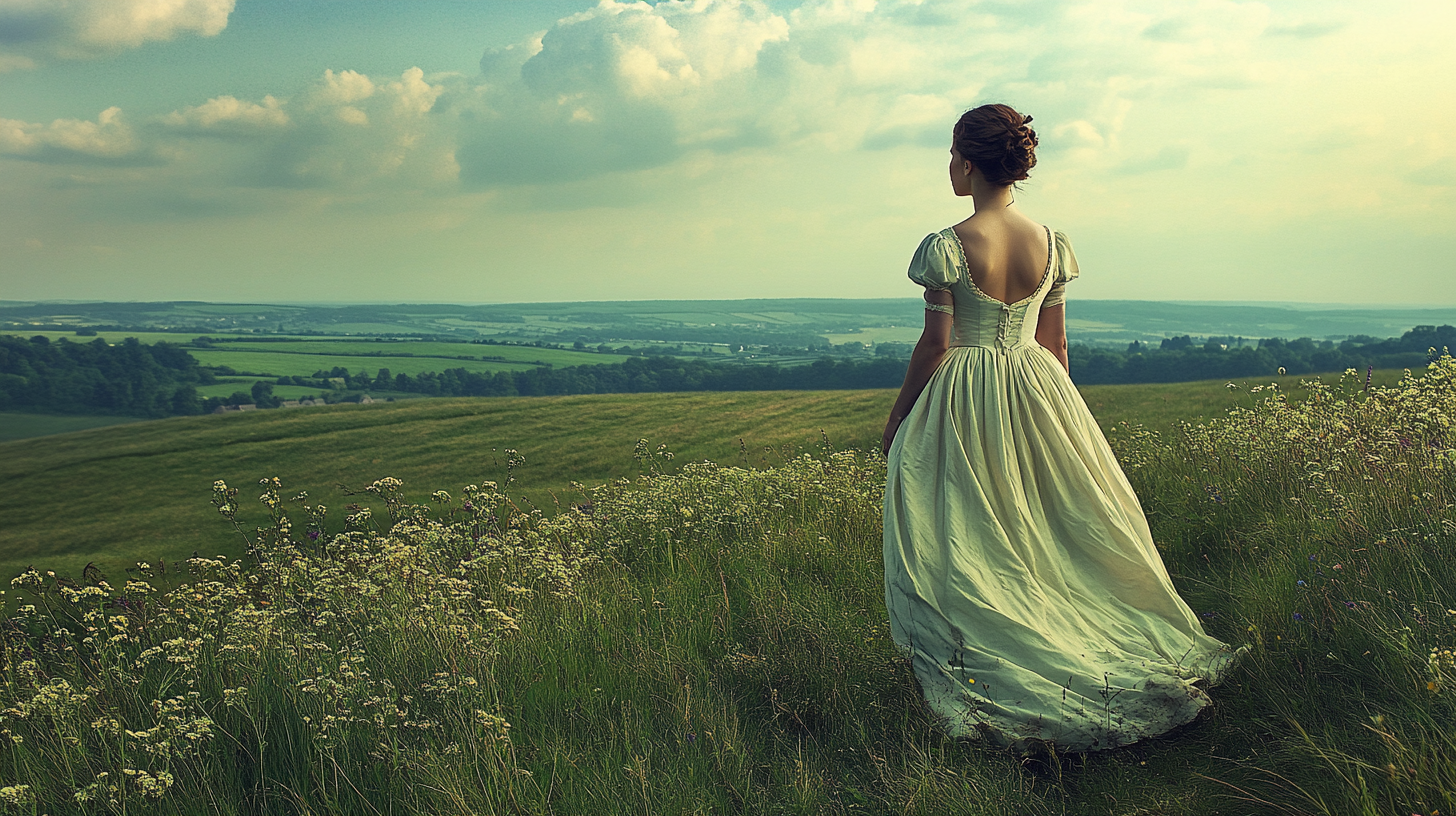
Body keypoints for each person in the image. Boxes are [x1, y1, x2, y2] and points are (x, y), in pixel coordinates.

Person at [880, 103, 1247, 756]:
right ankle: (1067, 623)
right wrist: (1058, 421)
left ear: (967, 162)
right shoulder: (1051, 242)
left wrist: (898, 415)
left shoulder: (946, 244)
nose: (949, 167)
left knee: (962, 527)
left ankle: (994, 630)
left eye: (950, 155)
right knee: (1044, 520)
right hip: (1036, 385)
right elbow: (1056, 343)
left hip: (965, 395)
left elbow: (936, 345)